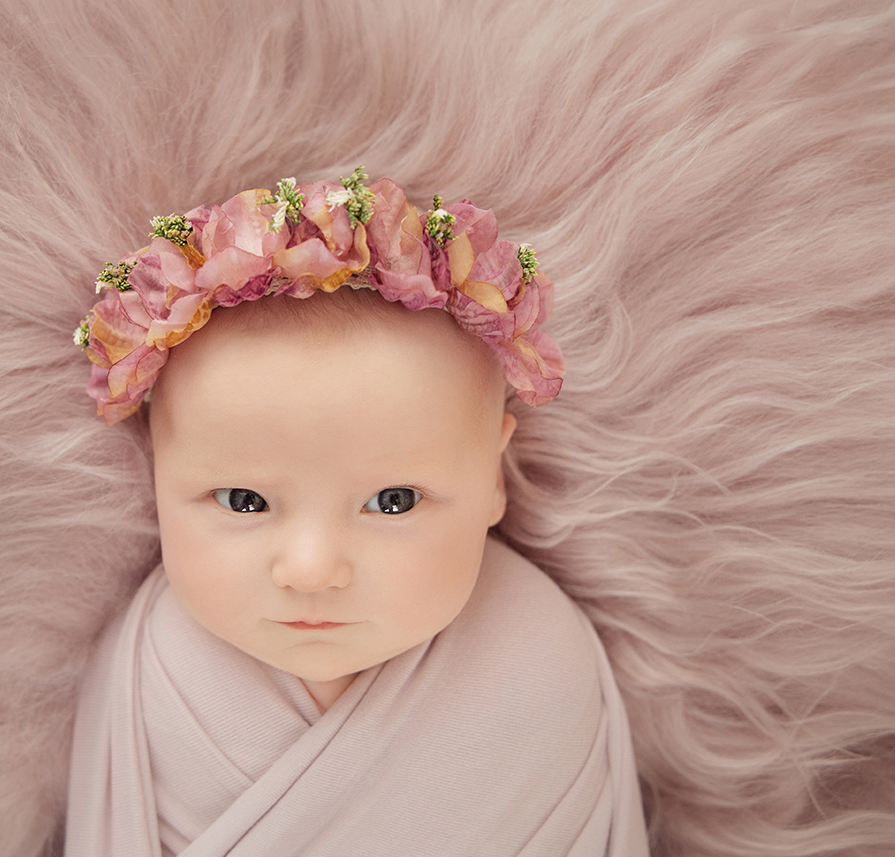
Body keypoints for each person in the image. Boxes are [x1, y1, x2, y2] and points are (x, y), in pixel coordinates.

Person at [64, 170, 649, 856]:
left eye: (393, 501)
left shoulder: (542, 660)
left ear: (494, 474)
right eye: (243, 500)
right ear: (156, 471)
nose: (311, 570)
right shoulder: (150, 674)